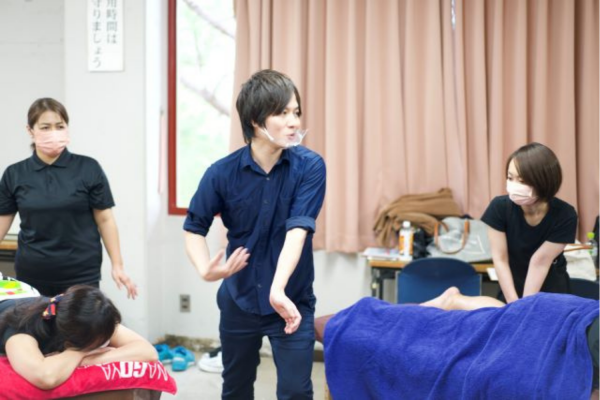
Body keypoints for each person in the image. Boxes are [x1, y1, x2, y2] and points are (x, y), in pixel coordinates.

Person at [184, 69, 326, 399]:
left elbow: (298, 231)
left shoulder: (310, 167)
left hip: (291, 300)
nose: (293, 122)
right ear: (255, 120)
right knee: (236, 389)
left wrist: (278, 290)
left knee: (296, 391)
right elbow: (193, 228)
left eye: (296, 112)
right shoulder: (221, 173)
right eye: (282, 113)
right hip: (239, 300)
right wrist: (205, 270)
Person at [323, 288, 599, 400]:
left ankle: (454, 301)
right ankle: (452, 302)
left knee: (491, 324)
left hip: (556, 317)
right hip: (555, 315)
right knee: (495, 322)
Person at [0, 98, 137, 298]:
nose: (54, 132)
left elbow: (105, 219)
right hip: (32, 272)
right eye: (45, 127)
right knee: (34, 319)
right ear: (30, 130)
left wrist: (118, 265)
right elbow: (2, 220)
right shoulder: (15, 173)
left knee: (81, 319)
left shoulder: (88, 168)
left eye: (60, 126)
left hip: (81, 273)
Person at [0, 284, 157, 390]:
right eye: (94, 346)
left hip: (20, 292)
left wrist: (88, 359)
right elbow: (45, 377)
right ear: (68, 339)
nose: (101, 346)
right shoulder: (21, 328)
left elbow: (147, 351)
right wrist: (79, 352)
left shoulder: (95, 317)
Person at [481, 142, 578, 303]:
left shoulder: (565, 215)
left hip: (551, 293)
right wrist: (514, 303)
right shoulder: (499, 208)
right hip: (510, 288)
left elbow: (540, 262)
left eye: (523, 181)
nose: (514, 186)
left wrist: (524, 307)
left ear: (544, 181)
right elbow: (500, 258)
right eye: (510, 178)